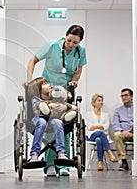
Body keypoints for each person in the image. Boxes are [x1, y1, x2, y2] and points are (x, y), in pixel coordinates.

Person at [27, 24, 87, 176]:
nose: (71, 45)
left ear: (79, 42)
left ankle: (64, 165)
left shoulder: (81, 51)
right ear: (65, 36)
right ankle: (50, 165)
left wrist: (74, 81)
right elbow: (32, 60)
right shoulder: (52, 46)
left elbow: (79, 71)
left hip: (66, 92)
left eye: (75, 43)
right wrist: (30, 81)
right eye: (69, 41)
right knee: (48, 125)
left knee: (65, 126)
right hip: (47, 91)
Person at [29, 77, 69, 164]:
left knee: (58, 122)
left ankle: (61, 152)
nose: (49, 85)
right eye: (45, 84)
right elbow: (36, 112)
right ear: (38, 88)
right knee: (42, 122)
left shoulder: (53, 96)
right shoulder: (36, 98)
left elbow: (61, 91)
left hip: (52, 118)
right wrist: (49, 106)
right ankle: (34, 153)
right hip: (40, 117)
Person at [85, 94, 118, 171]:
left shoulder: (105, 115)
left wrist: (96, 127)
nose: (101, 102)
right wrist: (101, 127)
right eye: (99, 101)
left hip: (102, 137)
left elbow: (106, 126)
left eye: (102, 101)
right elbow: (89, 127)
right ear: (94, 103)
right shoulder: (88, 114)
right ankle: (110, 153)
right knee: (100, 133)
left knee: (98, 140)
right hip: (91, 135)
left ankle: (100, 163)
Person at [113, 88, 134, 171]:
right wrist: (122, 131)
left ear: (131, 97)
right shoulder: (118, 110)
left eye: (126, 95)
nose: (124, 98)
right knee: (117, 135)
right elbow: (115, 124)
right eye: (122, 96)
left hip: (136, 134)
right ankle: (124, 161)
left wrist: (133, 132)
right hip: (123, 133)